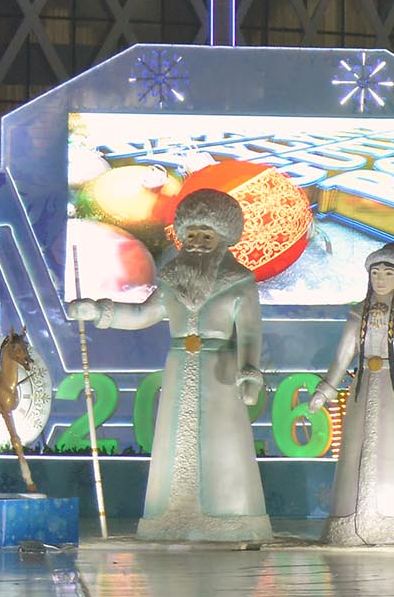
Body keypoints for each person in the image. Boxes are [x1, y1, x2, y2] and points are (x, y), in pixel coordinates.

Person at [72, 188, 272, 544]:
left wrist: (249, 371)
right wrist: (99, 311)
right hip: (180, 368)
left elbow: (250, 332)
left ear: (224, 237)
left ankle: (229, 515)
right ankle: (171, 516)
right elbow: (142, 315)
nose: (197, 244)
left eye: (206, 236)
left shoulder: (240, 282)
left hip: (220, 371)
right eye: (191, 235)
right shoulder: (171, 280)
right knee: (174, 443)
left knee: (223, 445)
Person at [312, 244, 394, 548]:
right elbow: (343, 357)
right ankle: (350, 518)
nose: (380, 279)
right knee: (356, 447)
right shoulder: (357, 315)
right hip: (363, 386)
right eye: (376, 273)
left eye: (388, 273)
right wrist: (325, 389)